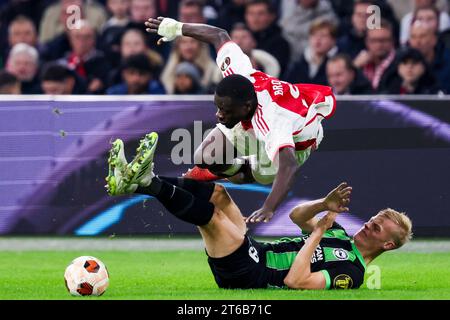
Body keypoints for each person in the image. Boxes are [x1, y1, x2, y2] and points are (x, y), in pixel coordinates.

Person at [105, 132, 413, 290]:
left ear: (388, 244)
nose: (370, 224)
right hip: (255, 251)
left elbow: (296, 281)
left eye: (378, 227)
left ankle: (145, 182)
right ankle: (135, 183)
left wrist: (318, 232)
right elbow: (296, 217)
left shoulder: (353, 274)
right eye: (374, 219)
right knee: (219, 193)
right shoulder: (341, 235)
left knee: (212, 218)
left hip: (252, 273)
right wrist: (322, 206)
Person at [144, 16, 336, 224]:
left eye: (225, 110)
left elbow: (288, 165)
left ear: (245, 107)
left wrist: (268, 207)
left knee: (262, 176)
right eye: (218, 107)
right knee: (206, 157)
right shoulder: (239, 73)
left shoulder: (273, 120)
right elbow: (219, 35)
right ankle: (226, 168)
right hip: (255, 118)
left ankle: (242, 171)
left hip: (300, 141)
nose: (218, 114)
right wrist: (178, 28)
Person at [377, 47, 443, 94]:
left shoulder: (434, 93)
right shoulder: (388, 92)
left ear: (423, 67)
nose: (409, 67)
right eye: (405, 63)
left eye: (414, 63)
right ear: (398, 68)